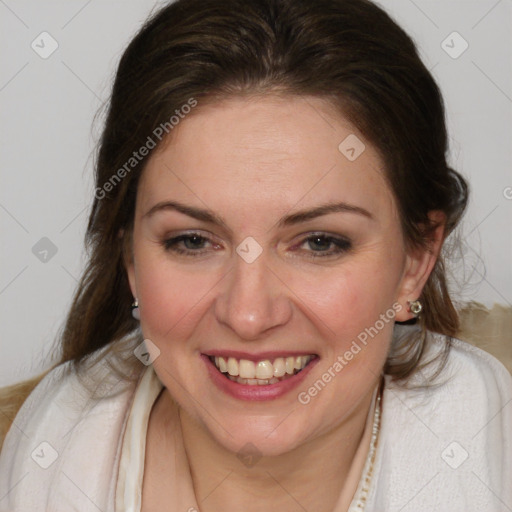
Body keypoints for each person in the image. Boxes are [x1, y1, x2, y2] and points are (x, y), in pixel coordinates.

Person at [1, 0, 511, 510]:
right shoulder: (40, 459)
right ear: (131, 260)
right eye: (192, 241)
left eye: (319, 243)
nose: (248, 315)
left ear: (415, 263)